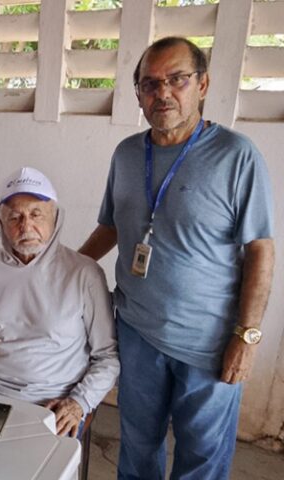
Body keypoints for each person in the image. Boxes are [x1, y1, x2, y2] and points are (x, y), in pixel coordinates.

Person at [78, 37, 275, 479]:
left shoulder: (236, 156)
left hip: (210, 344)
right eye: (150, 84)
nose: (162, 93)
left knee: (201, 461)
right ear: (138, 95)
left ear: (202, 85)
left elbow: (260, 249)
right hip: (136, 332)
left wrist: (246, 338)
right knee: (136, 449)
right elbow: (111, 227)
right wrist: (58, 271)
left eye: (177, 79)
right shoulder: (127, 154)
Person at [0, 167, 119, 437]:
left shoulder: (85, 274)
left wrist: (79, 402)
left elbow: (107, 357)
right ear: (1, 224)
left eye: (36, 214)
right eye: (15, 217)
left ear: (55, 218)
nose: (26, 226)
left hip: (54, 403)